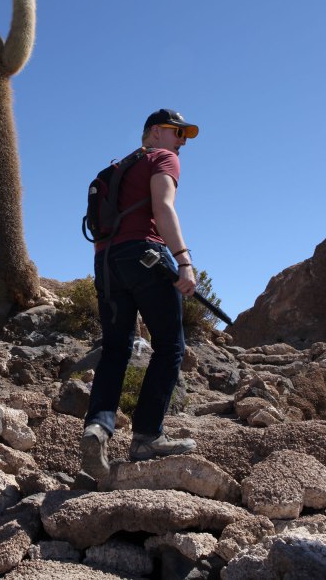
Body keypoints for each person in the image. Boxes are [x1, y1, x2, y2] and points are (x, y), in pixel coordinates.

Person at [80, 108, 199, 479]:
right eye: (175, 132)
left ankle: (98, 427)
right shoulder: (161, 158)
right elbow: (163, 207)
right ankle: (146, 436)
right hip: (144, 256)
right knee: (170, 346)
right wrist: (183, 260)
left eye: (183, 135)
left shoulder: (116, 168)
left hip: (106, 262)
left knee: (116, 348)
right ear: (152, 133)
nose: (181, 141)